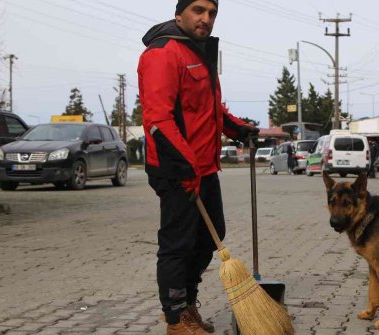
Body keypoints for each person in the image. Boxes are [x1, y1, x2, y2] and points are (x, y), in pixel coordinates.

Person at [138, 1, 259, 334]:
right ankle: (176, 319)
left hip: (203, 167)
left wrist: (238, 129)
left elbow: (208, 109)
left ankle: (188, 304)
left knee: (210, 236)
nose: (206, 18)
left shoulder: (199, 52)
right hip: (175, 168)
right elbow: (158, 120)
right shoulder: (163, 53)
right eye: (198, 10)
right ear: (180, 14)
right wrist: (185, 167)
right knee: (178, 244)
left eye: (212, 13)